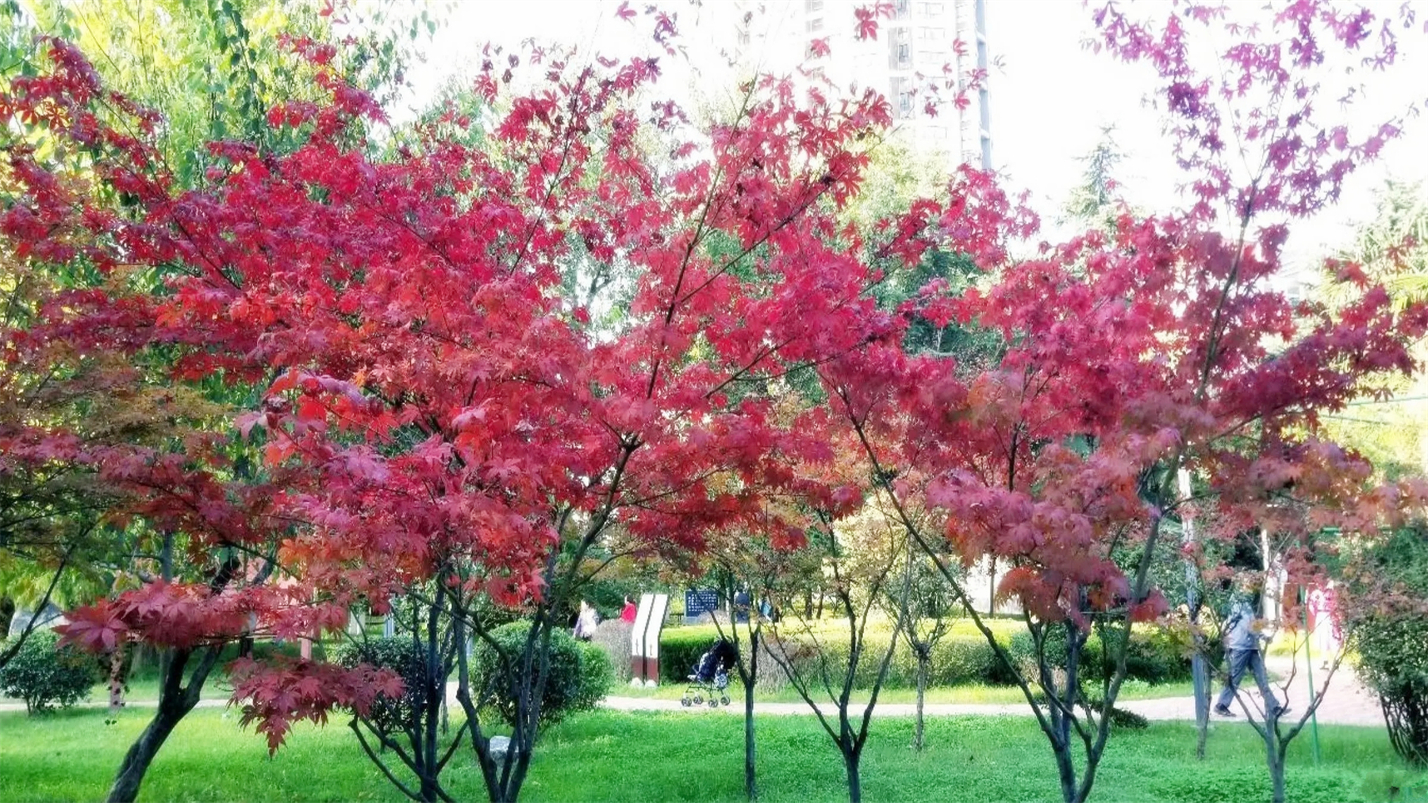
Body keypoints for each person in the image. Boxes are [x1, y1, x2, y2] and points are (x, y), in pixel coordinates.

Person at [1214, 578, 1287, 718]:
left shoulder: (1242, 602)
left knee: (1261, 676)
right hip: (1240, 646)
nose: (1250, 587)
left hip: (1249, 646)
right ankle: (1221, 705)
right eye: (1247, 584)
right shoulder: (1238, 603)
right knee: (1235, 677)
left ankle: (1273, 707)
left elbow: (1251, 625)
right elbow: (1249, 626)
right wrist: (1263, 636)